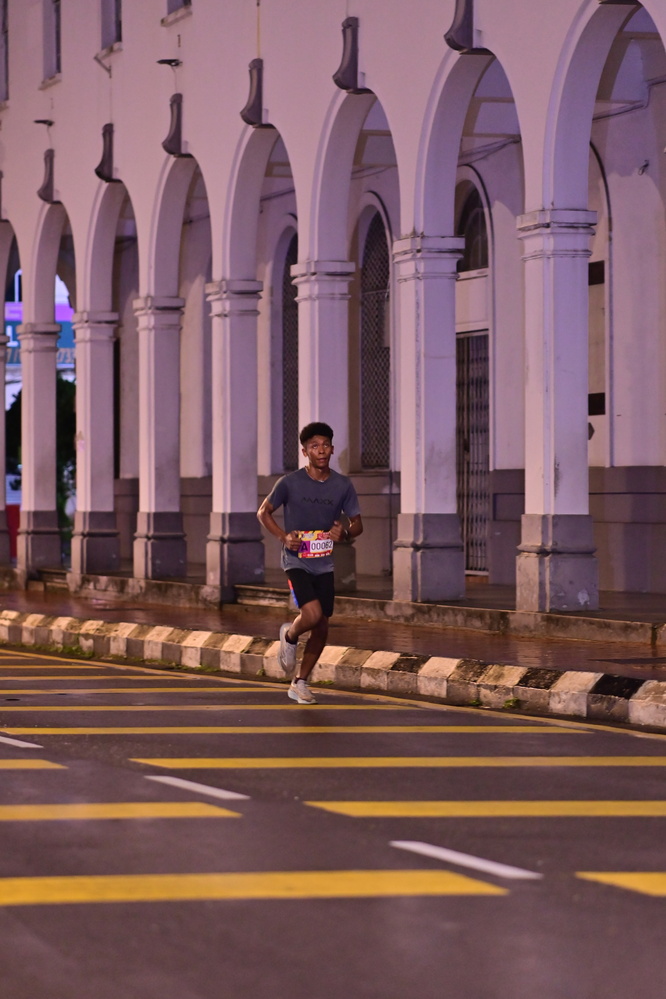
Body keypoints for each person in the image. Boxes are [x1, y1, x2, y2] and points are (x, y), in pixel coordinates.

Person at [257, 422, 363, 704]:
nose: (321, 450)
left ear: (332, 449)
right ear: (305, 452)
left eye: (325, 445)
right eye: (315, 446)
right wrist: (283, 537)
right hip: (296, 560)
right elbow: (263, 512)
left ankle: (299, 682)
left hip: (324, 563)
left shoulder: (342, 485)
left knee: (322, 625)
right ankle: (291, 635)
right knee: (312, 614)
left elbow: (357, 524)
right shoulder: (289, 482)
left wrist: (345, 532)